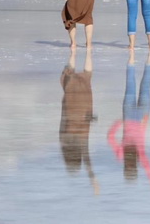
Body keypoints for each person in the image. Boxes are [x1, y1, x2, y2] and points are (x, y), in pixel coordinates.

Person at [107, 48, 150, 201]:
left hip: (140, 117)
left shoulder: (139, 155)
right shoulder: (123, 154)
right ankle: (134, 59)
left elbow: (149, 171)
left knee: (144, 85)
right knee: (132, 85)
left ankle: (149, 60)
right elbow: (110, 137)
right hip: (130, 115)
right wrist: (120, 123)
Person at [59, 45, 99, 195]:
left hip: (83, 107)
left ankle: (87, 51)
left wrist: (93, 178)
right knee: (71, 74)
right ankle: (74, 51)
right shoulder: (65, 141)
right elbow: (63, 120)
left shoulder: (81, 143)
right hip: (72, 105)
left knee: (87, 76)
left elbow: (87, 159)